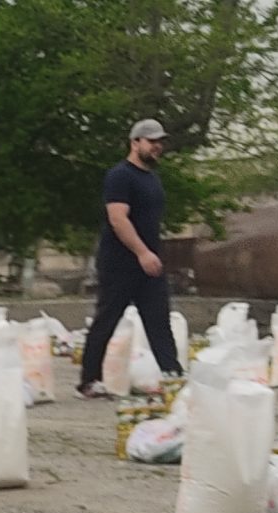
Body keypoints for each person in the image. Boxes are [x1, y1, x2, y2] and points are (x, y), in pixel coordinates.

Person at [79, 119, 186, 399]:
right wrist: (141, 252)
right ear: (135, 142)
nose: (157, 146)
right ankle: (89, 381)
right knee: (107, 320)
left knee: (159, 321)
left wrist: (151, 254)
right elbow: (118, 218)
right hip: (120, 264)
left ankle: (172, 377)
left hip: (149, 264)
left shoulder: (152, 178)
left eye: (160, 141)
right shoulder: (120, 176)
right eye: (151, 141)